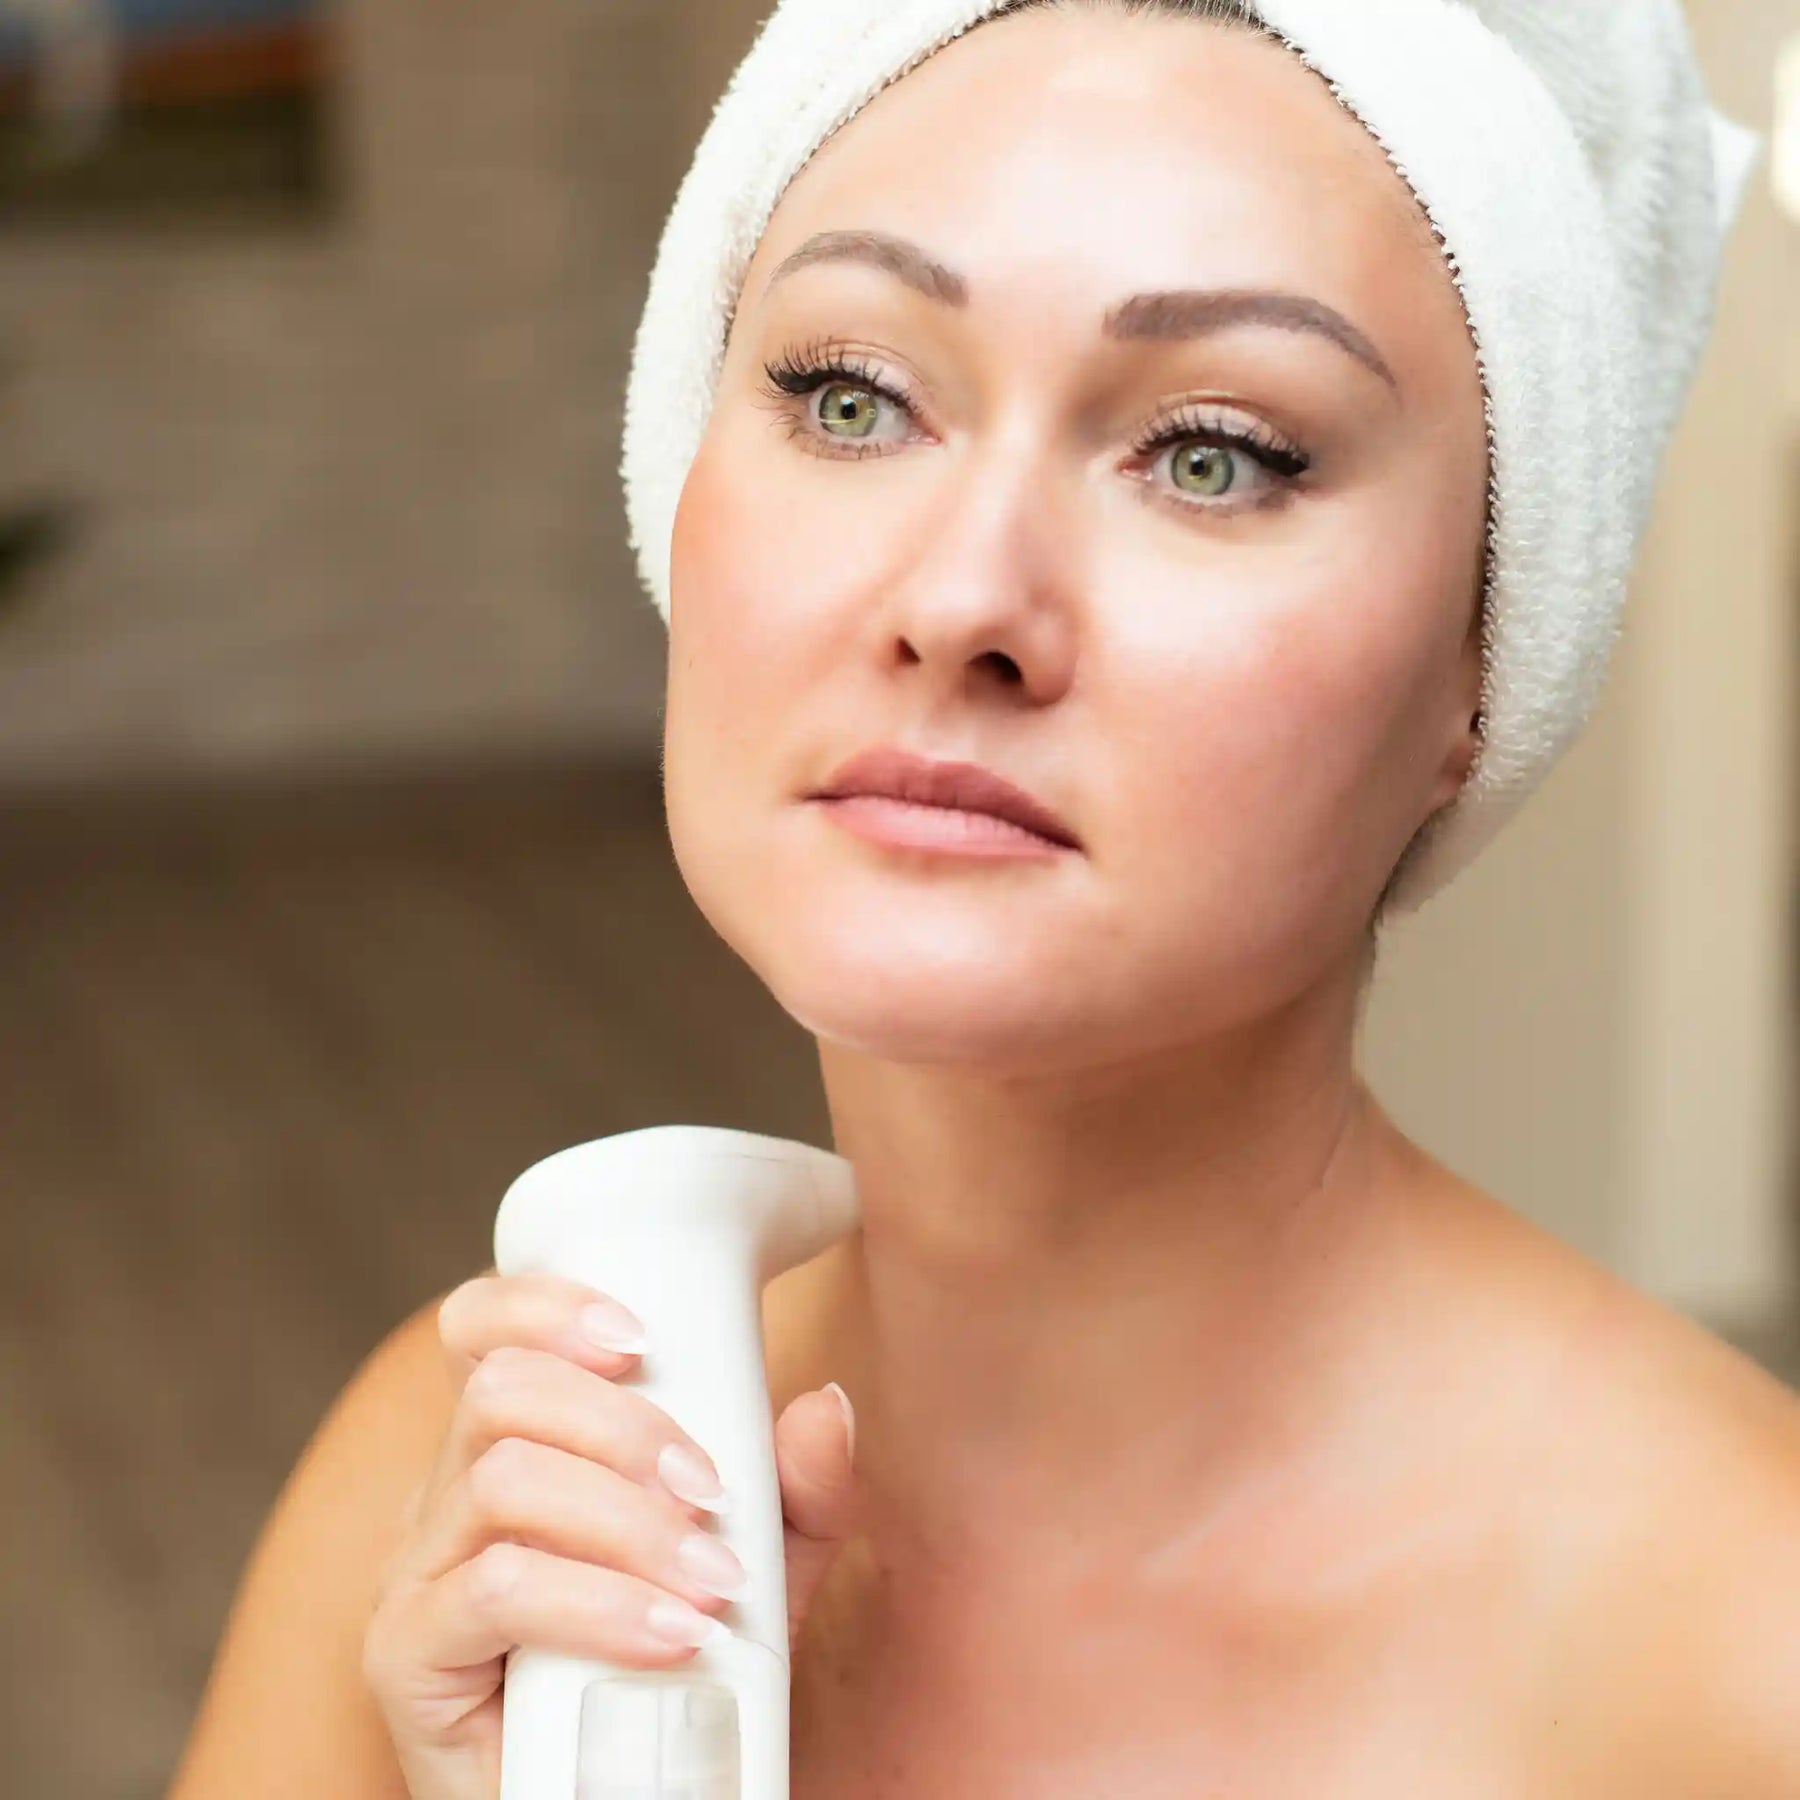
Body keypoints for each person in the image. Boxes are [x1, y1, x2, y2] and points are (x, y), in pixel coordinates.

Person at [166, 2, 1800, 1795]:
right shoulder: (480, 1504)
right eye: (851, 400)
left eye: (1214, 455)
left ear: (1489, 660)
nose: (961, 602)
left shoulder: (1744, 1650)